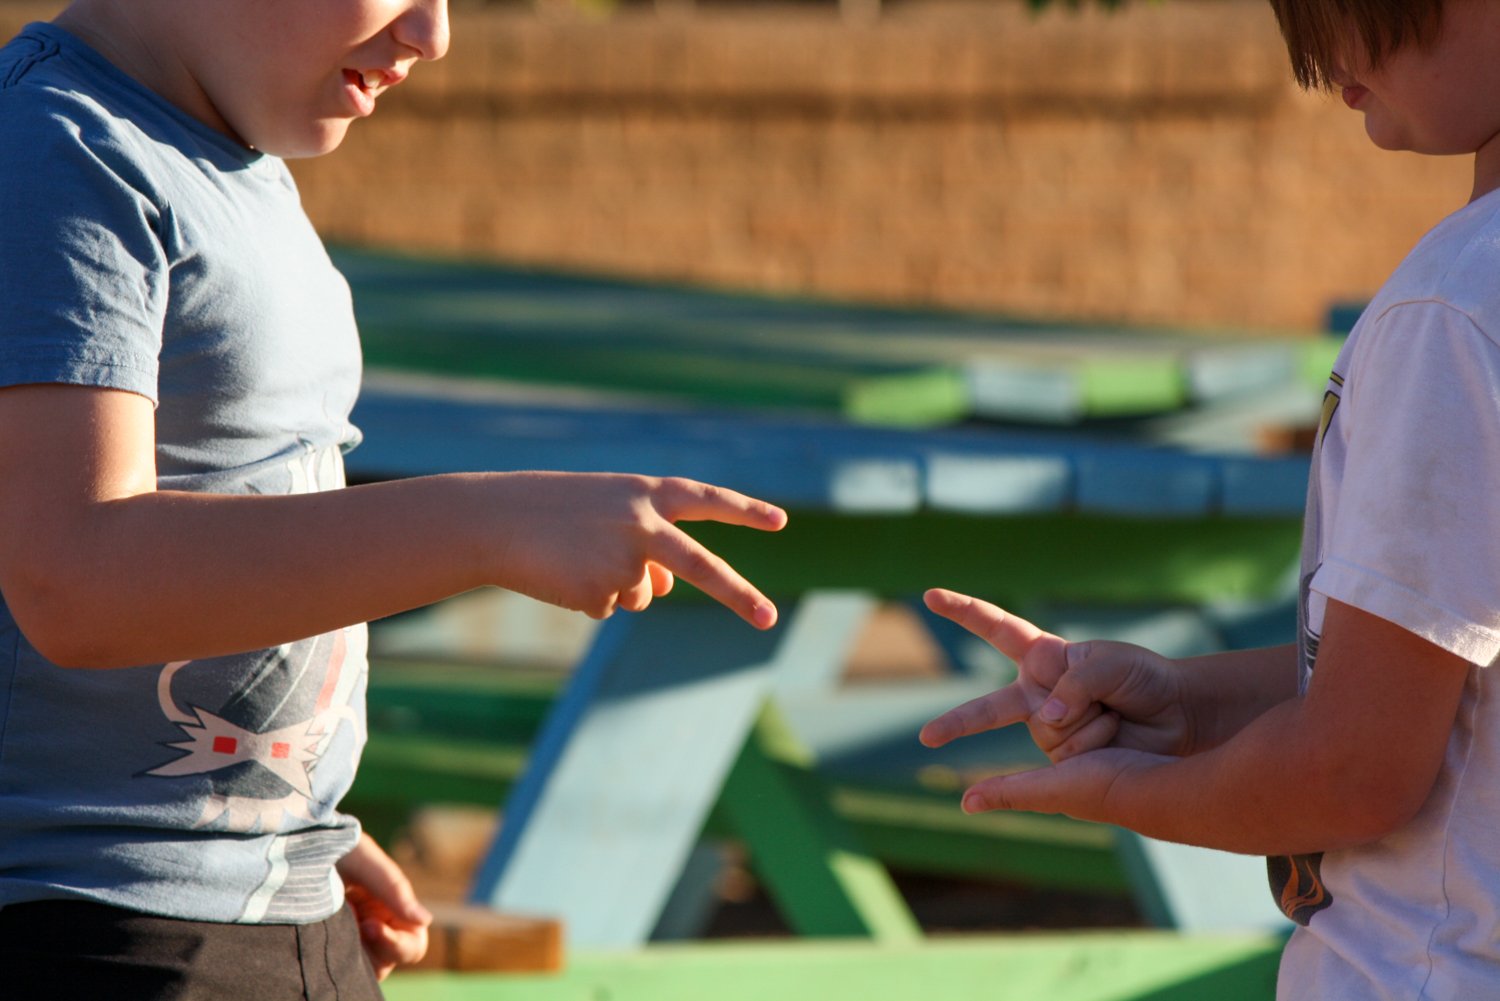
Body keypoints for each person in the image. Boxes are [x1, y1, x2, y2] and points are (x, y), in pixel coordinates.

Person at [0, 1, 786, 998]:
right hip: (89, 923)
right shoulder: (57, 150)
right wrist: (489, 524)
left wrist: (286, 816)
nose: (432, 33)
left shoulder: (219, 147)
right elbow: (75, 580)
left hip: (261, 892)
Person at [920, 1, 1500, 997]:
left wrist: (1126, 790)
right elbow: (1444, 681)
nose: (1328, 67)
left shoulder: (1452, 311)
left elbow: (1354, 769)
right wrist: (1187, 704)